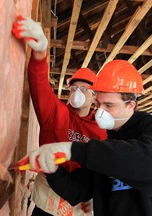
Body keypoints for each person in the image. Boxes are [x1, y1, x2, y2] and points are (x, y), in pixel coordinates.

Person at [27, 60, 152, 216]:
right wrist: (52, 169)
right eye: (98, 104)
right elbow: (77, 191)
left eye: (109, 105)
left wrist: (73, 150)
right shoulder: (107, 146)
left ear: (130, 105)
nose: (100, 111)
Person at [12, 15, 107, 216]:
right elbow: (39, 85)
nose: (77, 93)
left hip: (80, 203)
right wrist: (40, 53)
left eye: (83, 89)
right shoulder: (56, 113)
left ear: (94, 97)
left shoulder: (102, 129)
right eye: (73, 87)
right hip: (48, 201)